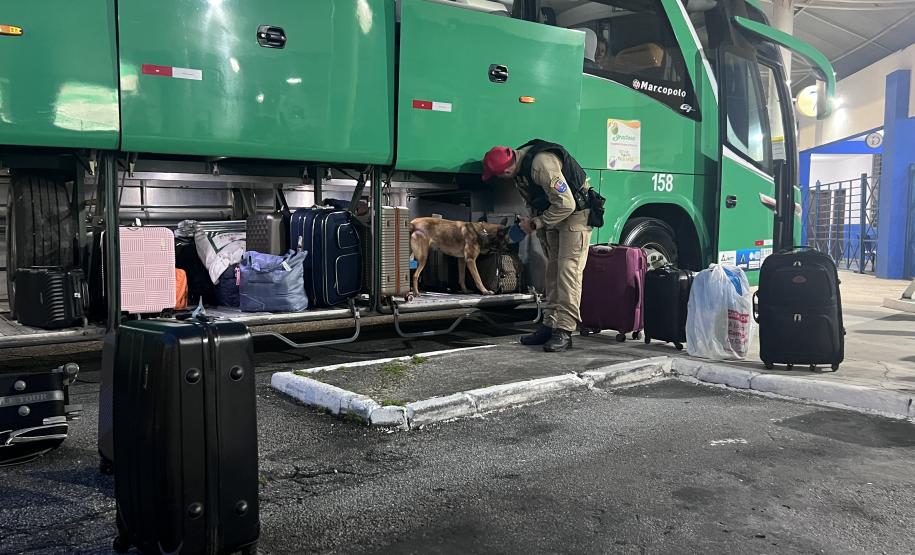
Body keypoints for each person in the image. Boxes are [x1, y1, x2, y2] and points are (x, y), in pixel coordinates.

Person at [481, 141, 592, 352]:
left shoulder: (541, 164)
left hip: (575, 217)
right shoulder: (520, 170)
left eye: (497, 176)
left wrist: (535, 223)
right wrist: (533, 222)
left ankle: (565, 330)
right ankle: (549, 325)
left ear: (506, 171)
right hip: (555, 217)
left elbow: (567, 204)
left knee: (567, 273)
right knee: (552, 273)